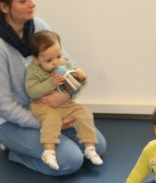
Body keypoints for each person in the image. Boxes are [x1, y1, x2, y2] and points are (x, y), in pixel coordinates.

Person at [0, 0, 107, 176]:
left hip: (54, 108)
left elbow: (68, 66)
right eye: (23, 0)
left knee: (97, 147)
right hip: (13, 123)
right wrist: (46, 121)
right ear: (4, 6)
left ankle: (48, 139)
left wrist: (63, 95)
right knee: (71, 161)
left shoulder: (39, 26)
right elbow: (2, 106)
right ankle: (14, 152)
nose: (32, 4)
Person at [26, 30, 102, 171]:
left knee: (84, 113)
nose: (56, 62)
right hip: (42, 106)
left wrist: (81, 76)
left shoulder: (64, 64)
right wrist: (51, 83)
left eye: (59, 56)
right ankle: (48, 152)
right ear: (36, 60)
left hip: (65, 104)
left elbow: (76, 83)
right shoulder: (33, 71)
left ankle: (89, 147)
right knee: (51, 119)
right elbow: (31, 91)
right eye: (49, 60)